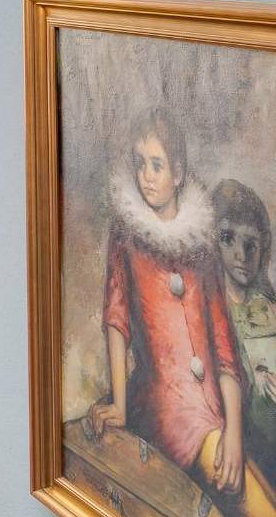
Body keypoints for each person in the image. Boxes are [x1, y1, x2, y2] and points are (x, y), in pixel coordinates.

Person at [90, 114, 276, 515]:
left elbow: (224, 350)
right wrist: (119, 404)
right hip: (164, 407)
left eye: (156, 165)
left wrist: (233, 432)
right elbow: (116, 318)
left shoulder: (202, 243)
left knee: (260, 493)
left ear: (177, 173)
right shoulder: (127, 233)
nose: (146, 176)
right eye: (140, 163)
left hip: (214, 410)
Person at [216, 179, 276, 477]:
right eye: (228, 239)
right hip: (238, 443)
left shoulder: (268, 307)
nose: (241, 254)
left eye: (250, 245)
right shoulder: (210, 307)